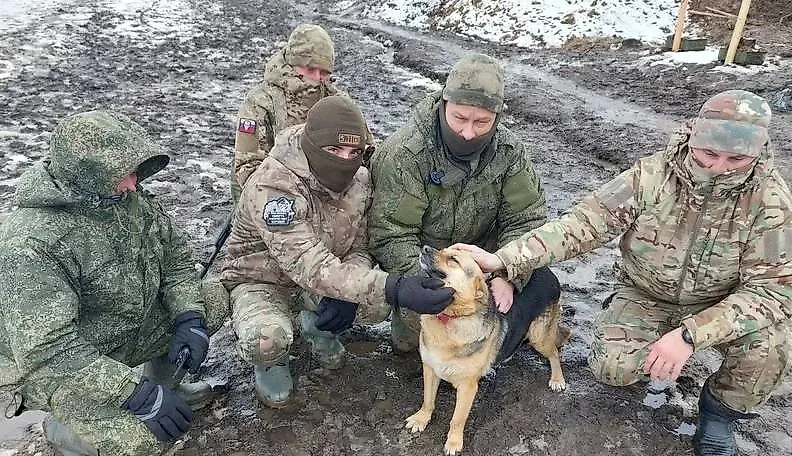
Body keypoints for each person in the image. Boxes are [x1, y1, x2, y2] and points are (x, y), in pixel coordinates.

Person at [455, 90, 792, 456]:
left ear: (757, 151)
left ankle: (719, 412)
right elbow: (581, 225)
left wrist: (691, 335)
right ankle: (651, 350)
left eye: (736, 159)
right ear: (693, 137)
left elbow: (777, 289)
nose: (719, 167)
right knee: (611, 367)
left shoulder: (769, 201)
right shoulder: (651, 177)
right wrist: (505, 260)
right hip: (646, 294)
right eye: (708, 153)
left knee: (771, 349)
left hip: (721, 302)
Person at [0, 111, 228, 456]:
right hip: (60, 366)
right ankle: (63, 429)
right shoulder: (31, 243)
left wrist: (188, 317)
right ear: (89, 175)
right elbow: (48, 350)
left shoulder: (127, 200)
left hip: (121, 329)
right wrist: (134, 393)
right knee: (141, 442)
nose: (133, 184)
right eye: (124, 174)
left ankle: (166, 386)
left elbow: (176, 262)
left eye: (135, 172)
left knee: (210, 301)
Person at [220, 95, 454, 408]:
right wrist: (393, 286)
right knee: (267, 338)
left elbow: (358, 244)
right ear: (312, 145)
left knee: (374, 306)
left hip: (322, 276)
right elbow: (309, 265)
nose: (345, 160)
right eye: (334, 150)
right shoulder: (273, 186)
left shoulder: (360, 181)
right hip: (262, 280)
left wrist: (348, 292)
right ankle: (271, 363)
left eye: (354, 152)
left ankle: (317, 327)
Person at [368, 52, 547, 354]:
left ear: (497, 118)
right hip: (427, 267)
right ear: (443, 104)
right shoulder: (405, 154)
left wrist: (506, 273)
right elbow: (390, 233)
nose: (467, 133)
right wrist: (427, 284)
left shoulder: (509, 152)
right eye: (459, 118)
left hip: (482, 268)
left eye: (482, 122)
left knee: (534, 284)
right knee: (411, 345)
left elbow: (527, 219)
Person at [232, 23, 345, 203]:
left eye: (324, 72)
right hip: (272, 192)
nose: (317, 78)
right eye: (310, 69)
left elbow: (364, 151)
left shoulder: (338, 101)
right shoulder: (260, 102)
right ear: (292, 64)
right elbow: (247, 166)